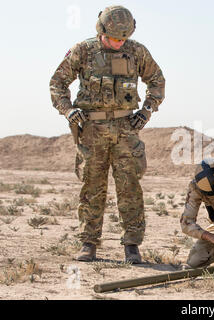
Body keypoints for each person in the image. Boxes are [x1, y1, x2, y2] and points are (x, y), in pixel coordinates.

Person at [49, 6, 165, 263]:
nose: (118, 42)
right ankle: (89, 243)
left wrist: (146, 112)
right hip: (92, 130)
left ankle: (132, 246)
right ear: (101, 30)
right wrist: (68, 111)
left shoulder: (137, 52)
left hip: (126, 129)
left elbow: (157, 81)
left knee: (130, 187)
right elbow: (57, 83)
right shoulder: (83, 50)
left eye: (123, 38)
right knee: (92, 187)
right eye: (114, 38)